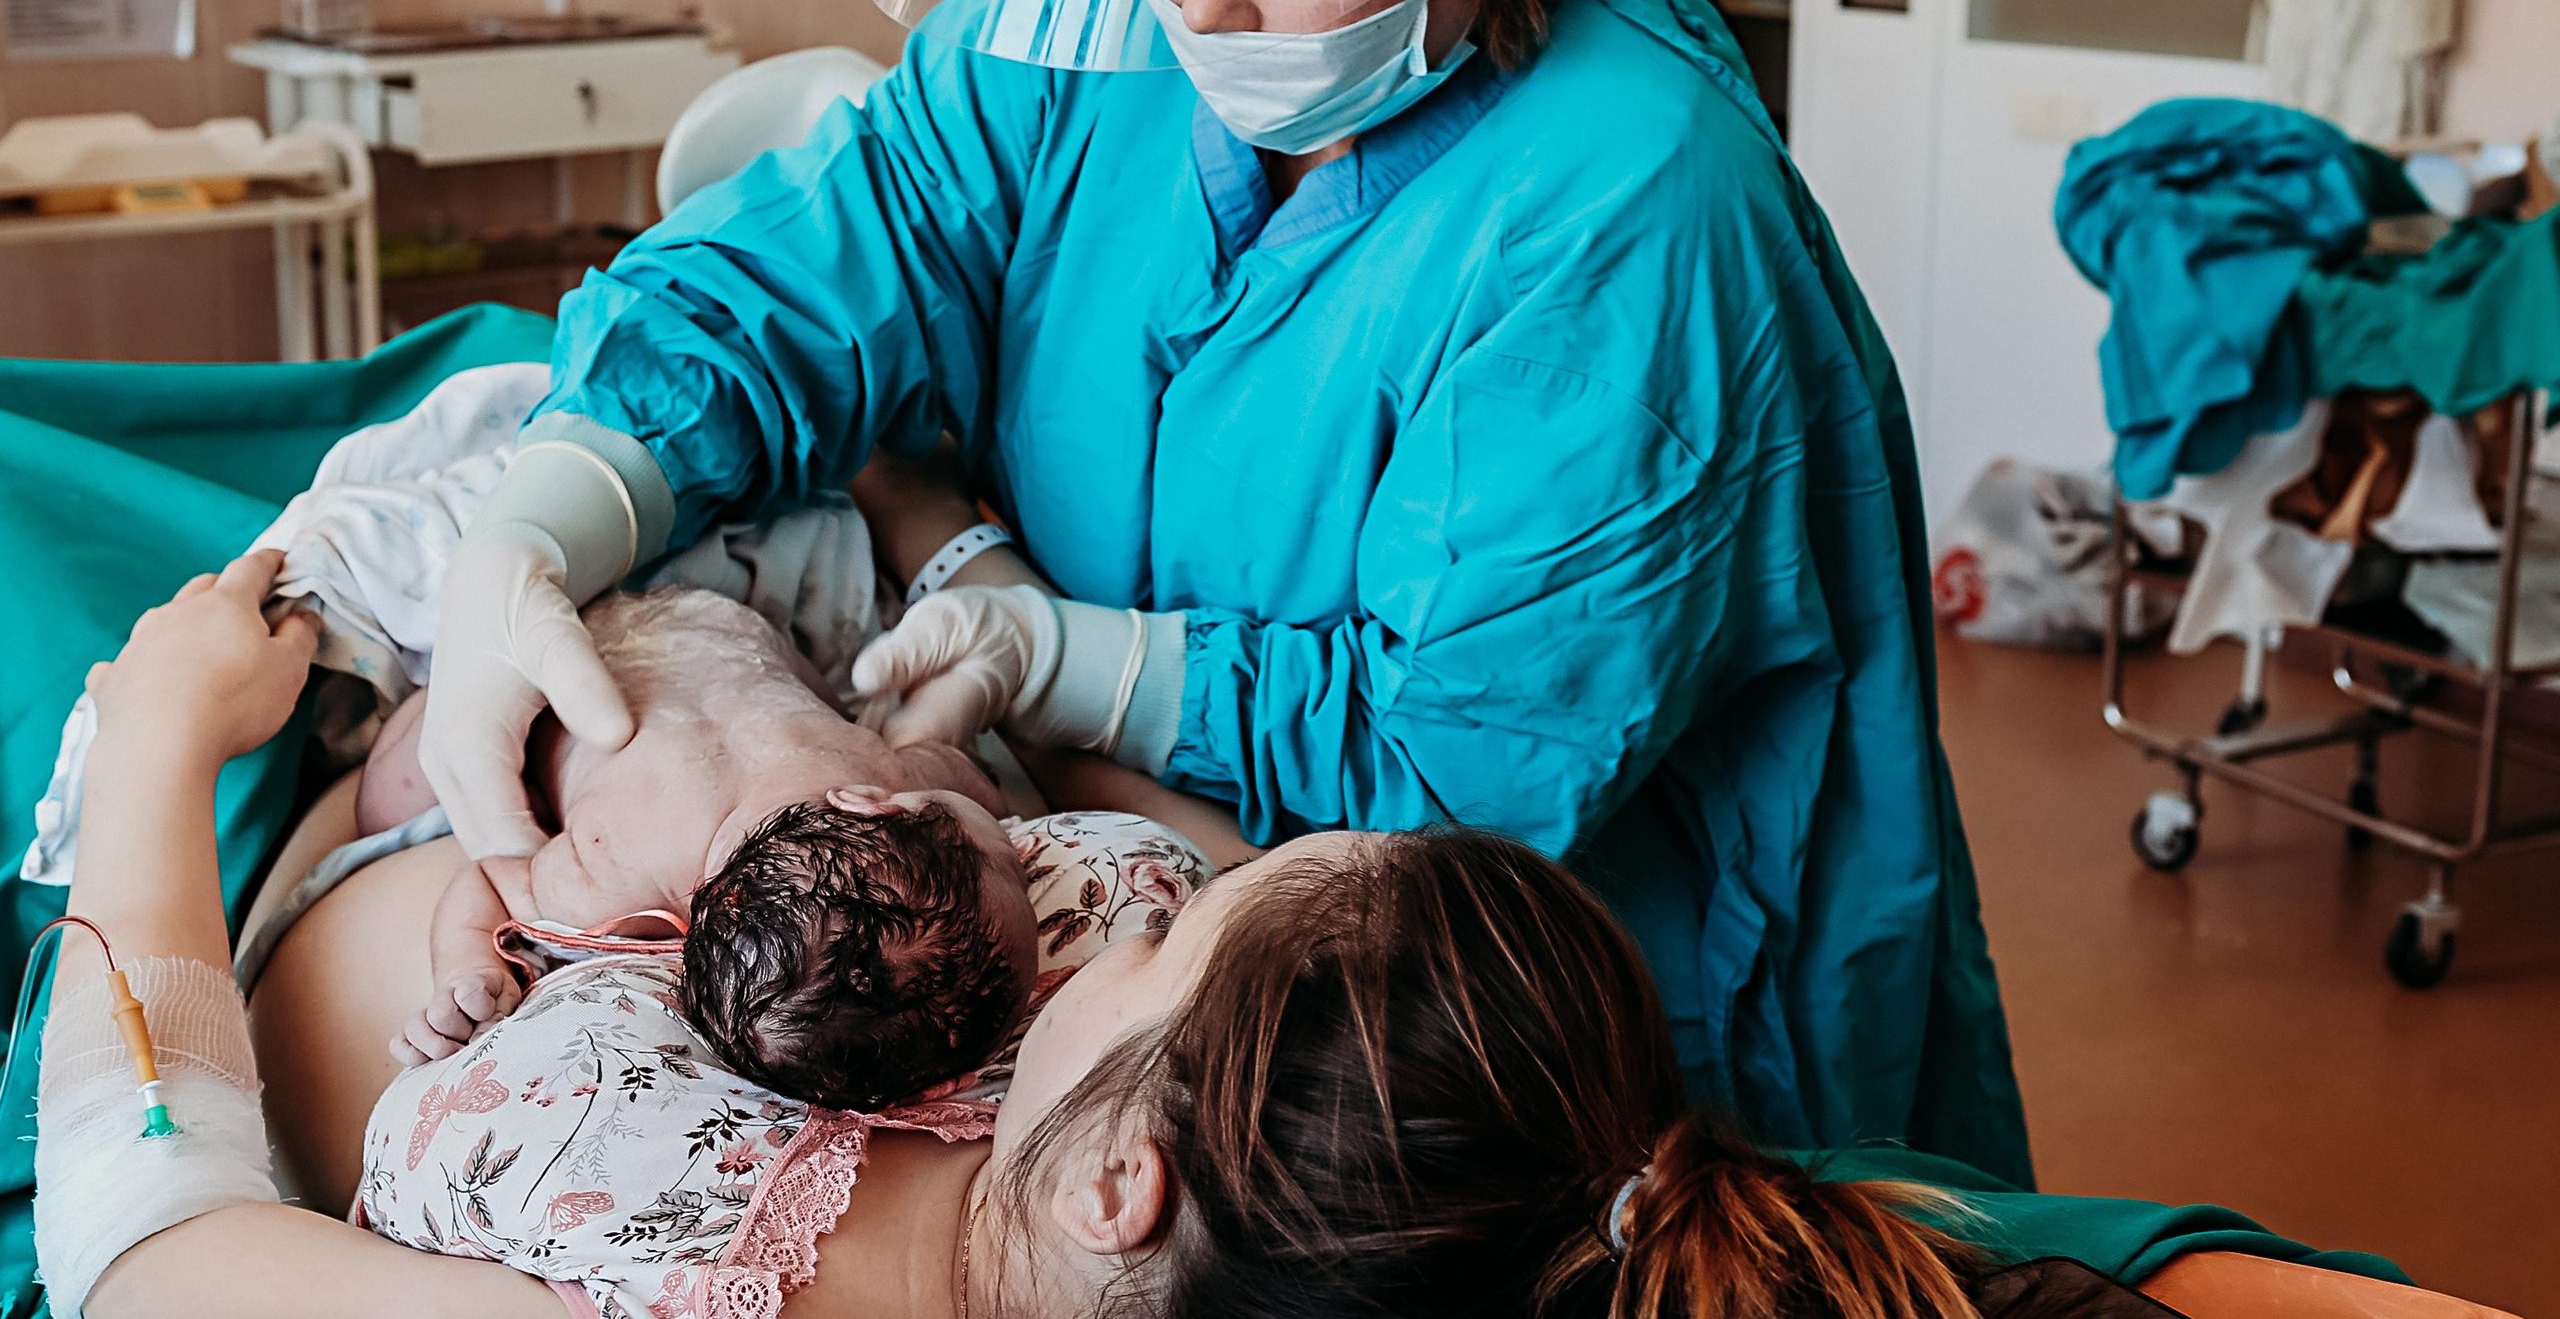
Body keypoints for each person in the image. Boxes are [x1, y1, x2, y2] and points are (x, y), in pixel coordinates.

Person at [413, 0, 2030, 1181]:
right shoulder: (1088, 19)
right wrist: (559, 498)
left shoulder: (1630, 206)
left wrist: (1076, 663)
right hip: (1190, 890)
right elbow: (828, 254)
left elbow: (1472, 765)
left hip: (1545, 992)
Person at [36, 557, 2497, 1319]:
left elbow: (145, 1227)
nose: (1146, 870)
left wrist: (154, 746)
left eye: (1174, 911)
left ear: (1108, 1170)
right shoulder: (1252, 1171)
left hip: (310, 850)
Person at [367, 585, 1038, 1112]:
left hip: (700, 614)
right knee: (384, 800)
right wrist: (466, 968)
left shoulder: (887, 780)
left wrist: (970, 801)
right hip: (530, 650)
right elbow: (487, 879)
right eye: (1019, 856)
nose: (1019, 846)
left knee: (393, 792)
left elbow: (959, 783)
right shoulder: (613, 874)